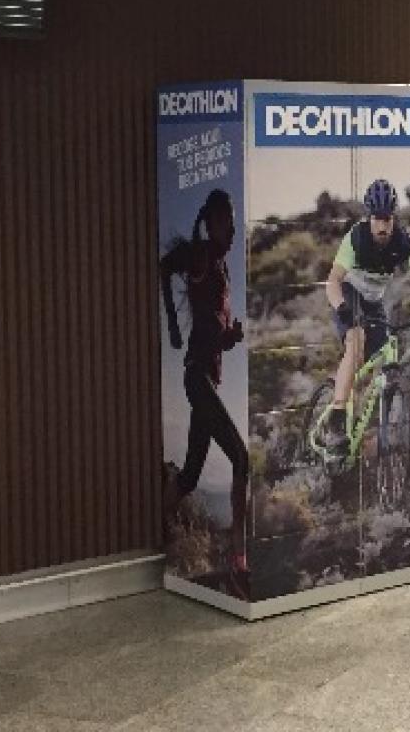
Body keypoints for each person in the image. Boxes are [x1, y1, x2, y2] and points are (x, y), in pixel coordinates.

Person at [160, 189, 249, 586]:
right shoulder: (201, 256)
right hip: (197, 377)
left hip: (207, 378)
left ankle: (158, 521)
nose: (232, 229)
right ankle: (239, 559)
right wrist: (172, 325)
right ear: (211, 222)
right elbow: (165, 266)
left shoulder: (221, 269)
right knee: (241, 459)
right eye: (226, 221)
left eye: (233, 221)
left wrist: (232, 337)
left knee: (190, 479)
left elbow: (216, 333)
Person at [323, 180, 410, 448]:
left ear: (394, 217)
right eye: (377, 219)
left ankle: (372, 420)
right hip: (348, 293)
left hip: (373, 302)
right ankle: (336, 417)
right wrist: (341, 307)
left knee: (381, 357)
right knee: (356, 343)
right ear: (369, 217)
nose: (382, 226)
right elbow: (332, 281)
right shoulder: (356, 238)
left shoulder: (404, 242)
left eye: (387, 219)